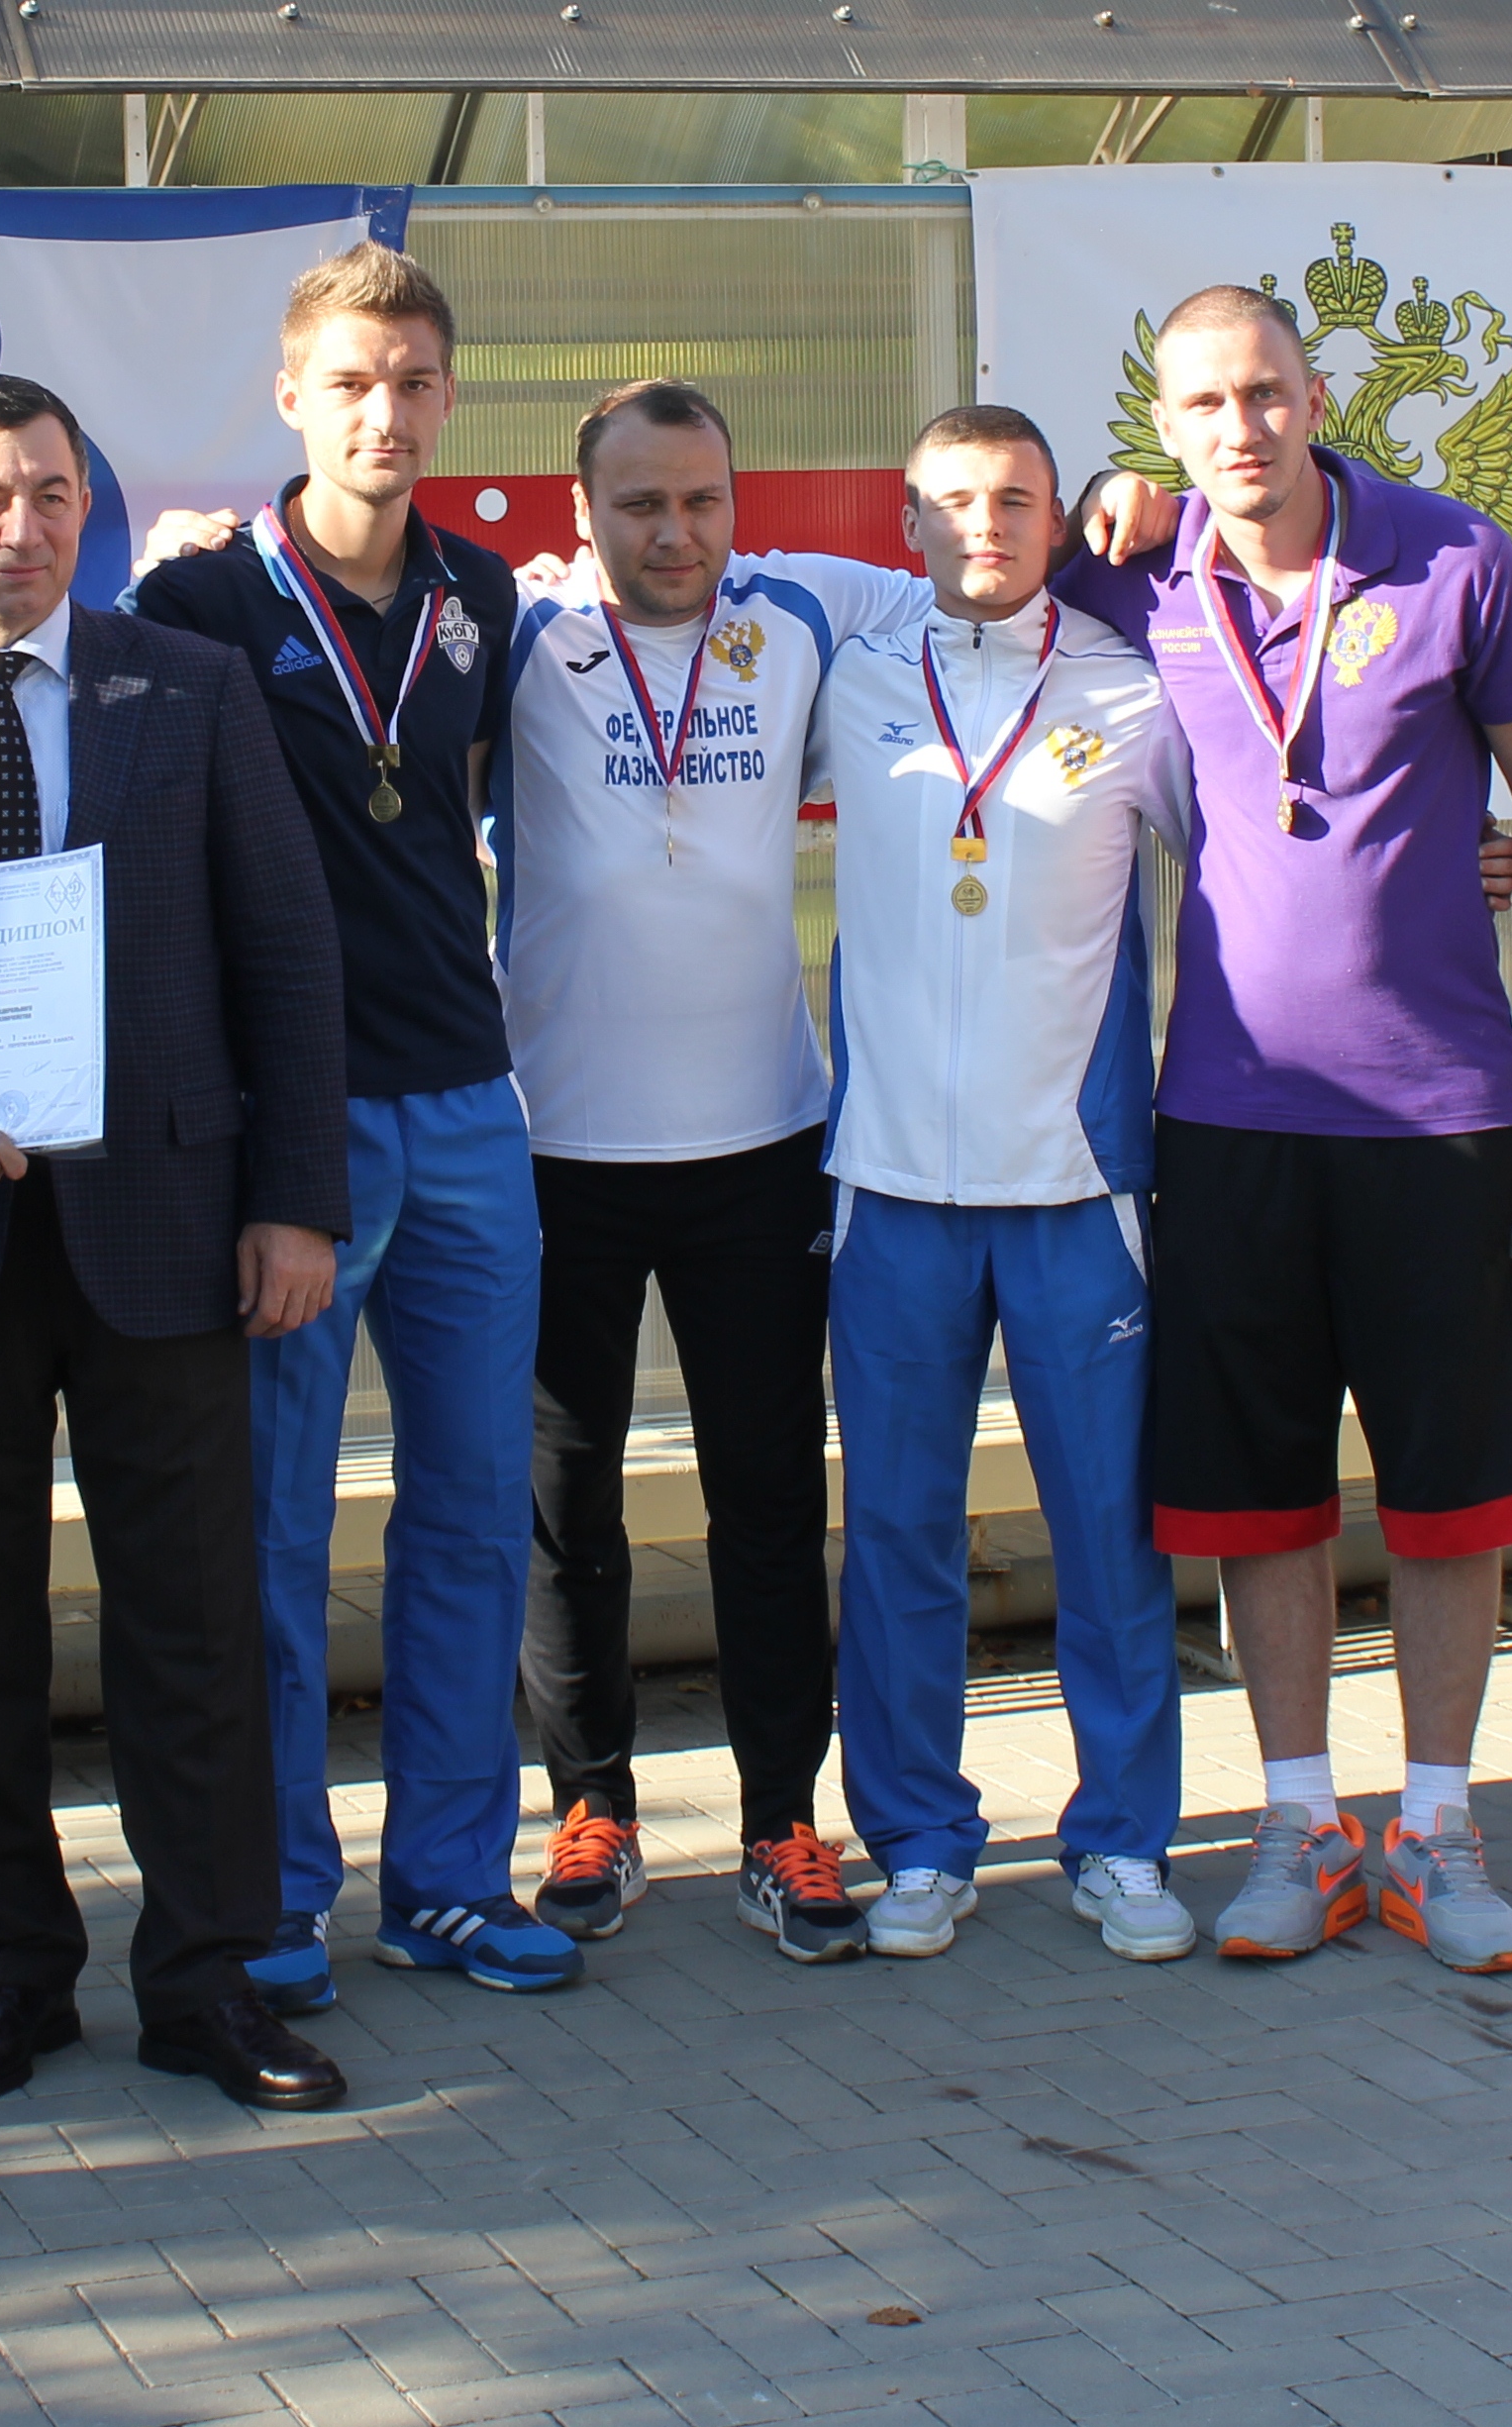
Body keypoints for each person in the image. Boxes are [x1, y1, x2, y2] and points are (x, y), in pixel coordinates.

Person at [0, 372, 358, 2114]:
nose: (24, 527)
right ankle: (18, 1975)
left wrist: (297, 1201)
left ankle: (206, 1978)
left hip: (169, 1230)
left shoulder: (182, 688)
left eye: (52, 493)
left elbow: (286, 948)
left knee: (192, 1622)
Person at [1063, 286, 1512, 1976]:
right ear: (1166, 427)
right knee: (1258, 1494)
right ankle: (1298, 1822)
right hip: (1226, 1116)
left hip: (1440, 1109)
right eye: (1205, 404)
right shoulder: (1137, 570)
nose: (1242, 428)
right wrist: (1093, 500)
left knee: (1452, 1491)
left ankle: (1437, 1828)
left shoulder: (1455, 559)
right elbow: (960, 563)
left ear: (1315, 396)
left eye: (1268, 393)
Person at [125, 244, 564, 2006]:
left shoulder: (482, 593)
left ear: (449, 398)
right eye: (354, 384)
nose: (387, 414)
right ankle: (277, 1889)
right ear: (292, 397)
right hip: (293, 1130)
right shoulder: (199, 601)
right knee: (272, 1530)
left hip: (467, 1108)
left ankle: (449, 1880)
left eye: (416, 382)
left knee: (472, 1512)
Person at [496, 381, 930, 1960]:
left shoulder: (802, 609)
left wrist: (1108, 523)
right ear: (582, 511)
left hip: (762, 1145)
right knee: (567, 1510)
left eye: (702, 501)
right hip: (559, 1149)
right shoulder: (521, 631)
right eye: (639, 505)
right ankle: (592, 1807)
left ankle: (779, 1823)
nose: (676, 534)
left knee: (767, 1499)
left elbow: (986, 586)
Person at [804, 405, 1197, 1964]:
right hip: (889, 1185)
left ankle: (1124, 1841)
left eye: (1016, 500)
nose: (986, 525)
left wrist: (1464, 850)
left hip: (1077, 1186)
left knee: (1109, 1532)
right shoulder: (847, 675)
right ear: (908, 520)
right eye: (956, 501)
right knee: (898, 1535)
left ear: (1056, 519)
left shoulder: (1133, 687)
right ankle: (917, 1841)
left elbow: (1276, 853)